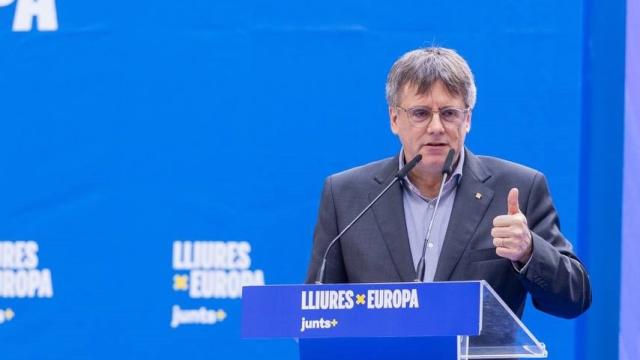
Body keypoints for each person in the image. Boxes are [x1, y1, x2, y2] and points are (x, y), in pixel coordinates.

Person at [305, 47, 591, 319]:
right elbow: (318, 312)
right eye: (420, 113)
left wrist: (529, 250)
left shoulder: (519, 189)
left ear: (467, 119)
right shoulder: (345, 196)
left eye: (449, 113)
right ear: (394, 119)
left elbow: (574, 299)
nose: (436, 127)